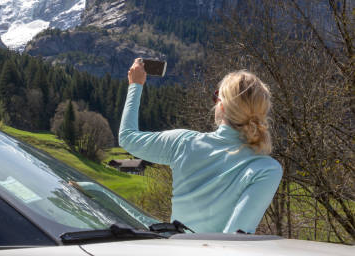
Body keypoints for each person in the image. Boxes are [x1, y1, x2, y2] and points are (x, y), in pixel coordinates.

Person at [119, 58, 282, 233]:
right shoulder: (267, 169)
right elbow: (235, 237)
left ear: (222, 107)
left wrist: (135, 85)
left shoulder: (183, 142)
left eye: (216, 96)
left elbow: (127, 137)